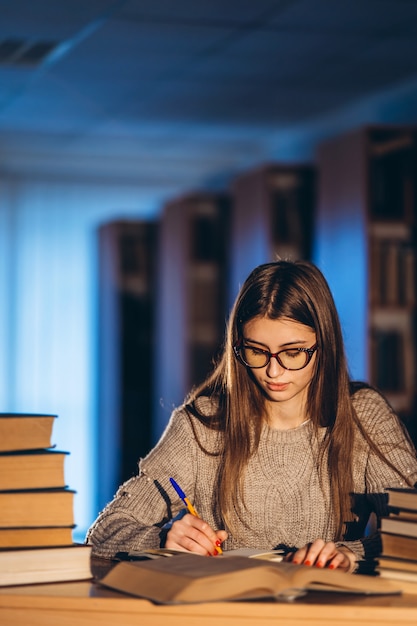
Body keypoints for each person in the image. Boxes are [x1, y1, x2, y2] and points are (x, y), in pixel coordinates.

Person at [86, 260, 417, 573]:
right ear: (237, 346)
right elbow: (104, 531)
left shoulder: (363, 415)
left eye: (293, 352)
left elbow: (412, 532)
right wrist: (161, 542)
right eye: (257, 351)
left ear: (325, 345)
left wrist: (351, 555)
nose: (274, 371)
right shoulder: (201, 426)